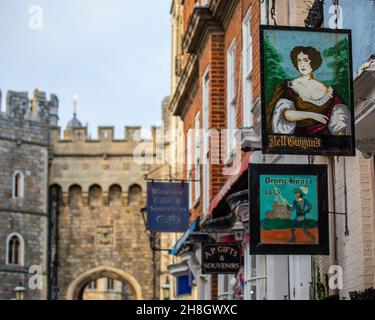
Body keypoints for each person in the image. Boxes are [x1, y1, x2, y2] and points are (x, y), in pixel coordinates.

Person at [267, 46, 351, 136]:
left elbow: (340, 115)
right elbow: (286, 114)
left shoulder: (329, 91)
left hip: (325, 142)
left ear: (313, 61)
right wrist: (313, 115)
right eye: (299, 60)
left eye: (306, 60)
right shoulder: (290, 87)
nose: (302, 64)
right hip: (298, 141)